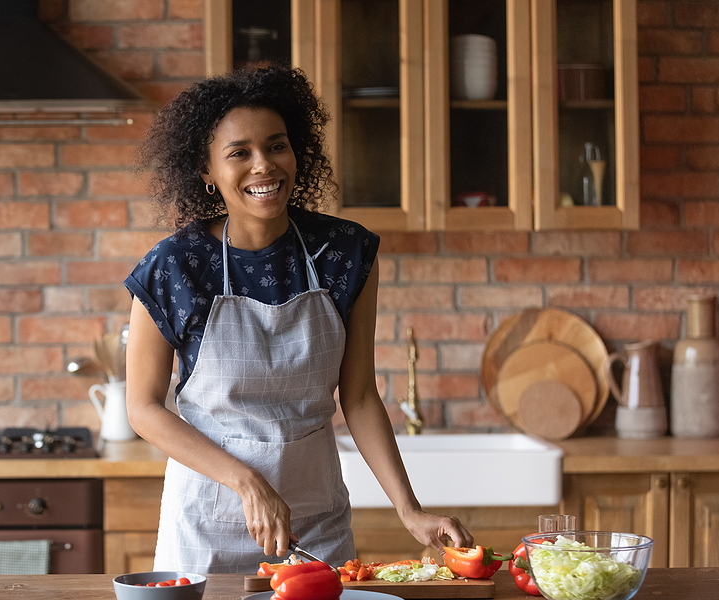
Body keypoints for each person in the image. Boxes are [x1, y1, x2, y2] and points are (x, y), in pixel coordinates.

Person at [124, 65, 473, 574]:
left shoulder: (345, 252)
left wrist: (409, 508)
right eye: (239, 153)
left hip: (316, 524)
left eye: (276, 145)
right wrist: (246, 481)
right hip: (206, 524)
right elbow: (143, 408)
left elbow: (357, 396)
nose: (263, 165)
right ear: (206, 171)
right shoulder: (176, 266)